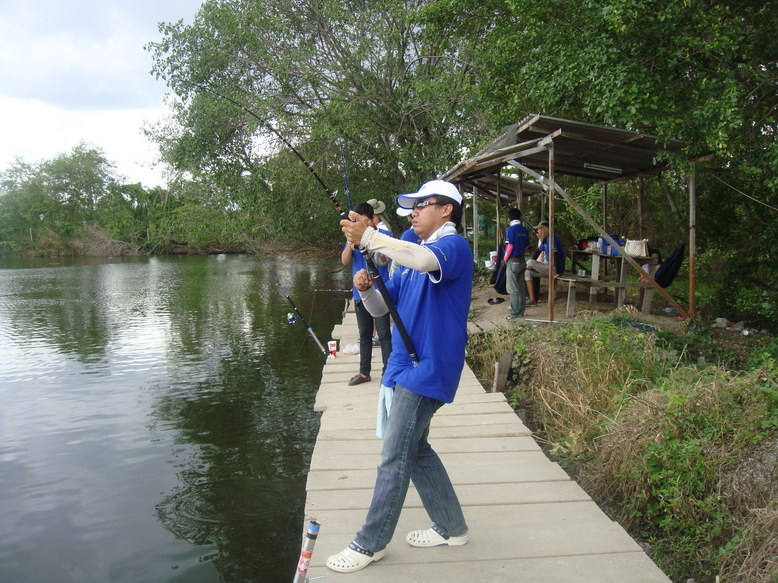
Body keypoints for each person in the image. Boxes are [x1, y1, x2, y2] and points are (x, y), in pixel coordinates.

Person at [327, 179, 472, 573]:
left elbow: (423, 261)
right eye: (411, 206)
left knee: (394, 455)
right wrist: (367, 287)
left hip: (429, 367)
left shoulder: (451, 248)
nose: (413, 212)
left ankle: (369, 543)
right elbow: (381, 310)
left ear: (446, 210)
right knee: (416, 447)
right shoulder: (411, 246)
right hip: (402, 365)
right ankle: (451, 527)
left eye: (421, 205)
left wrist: (371, 236)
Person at [341, 202, 392, 385]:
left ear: (371, 220)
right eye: (353, 220)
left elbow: (385, 260)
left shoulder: (384, 236)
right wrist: (349, 245)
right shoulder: (351, 236)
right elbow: (345, 261)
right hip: (360, 294)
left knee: (385, 334)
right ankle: (364, 372)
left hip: (380, 293)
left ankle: (388, 372)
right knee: (364, 334)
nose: (355, 223)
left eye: (359, 220)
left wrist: (368, 242)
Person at [503, 208, 530, 319]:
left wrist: (505, 258)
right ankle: (521, 312)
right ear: (520, 217)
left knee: (513, 289)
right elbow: (527, 246)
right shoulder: (524, 230)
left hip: (512, 260)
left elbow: (510, 246)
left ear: (510, 218)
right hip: (522, 260)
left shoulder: (510, 230)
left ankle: (515, 313)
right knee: (521, 288)